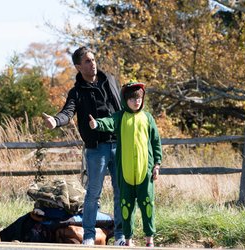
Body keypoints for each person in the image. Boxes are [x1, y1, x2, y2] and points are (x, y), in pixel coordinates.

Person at [42, 46, 125, 246]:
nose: (93, 63)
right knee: (93, 194)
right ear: (78, 66)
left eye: (94, 59)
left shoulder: (110, 81)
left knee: (121, 192)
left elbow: (122, 108)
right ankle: (88, 235)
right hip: (96, 148)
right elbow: (67, 112)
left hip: (119, 144)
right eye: (87, 61)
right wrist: (55, 121)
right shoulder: (77, 92)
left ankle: (121, 236)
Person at [89, 82, 162, 247]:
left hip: (146, 172)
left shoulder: (148, 118)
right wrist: (97, 124)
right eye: (132, 99)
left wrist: (157, 164)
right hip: (125, 172)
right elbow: (108, 122)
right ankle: (128, 241)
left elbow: (156, 142)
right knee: (126, 207)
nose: (136, 102)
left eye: (139, 98)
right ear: (125, 100)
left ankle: (149, 240)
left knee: (147, 205)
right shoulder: (120, 117)